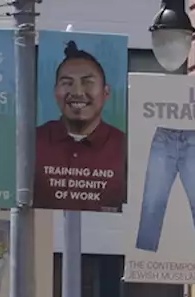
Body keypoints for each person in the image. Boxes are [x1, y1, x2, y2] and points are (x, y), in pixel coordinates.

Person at [34, 41, 126, 212]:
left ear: (106, 92)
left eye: (88, 82)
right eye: (67, 83)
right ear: (55, 92)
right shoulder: (32, 142)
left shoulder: (125, 147)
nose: (77, 92)